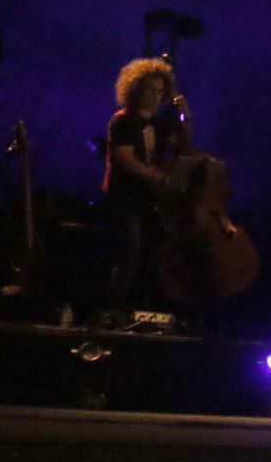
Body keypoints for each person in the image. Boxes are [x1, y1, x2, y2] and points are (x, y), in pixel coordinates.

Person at [101, 57, 236, 313]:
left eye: (160, 91)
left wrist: (187, 117)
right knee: (130, 250)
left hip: (151, 199)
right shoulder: (123, 121)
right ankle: (114, 309)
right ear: (136, 89)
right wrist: (161, 178)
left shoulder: (159, 123)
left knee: (155, 253)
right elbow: (126, 161)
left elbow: (184, 144)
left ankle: (141, 308)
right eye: (150, 90)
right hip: (125, 197)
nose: (155, 96)